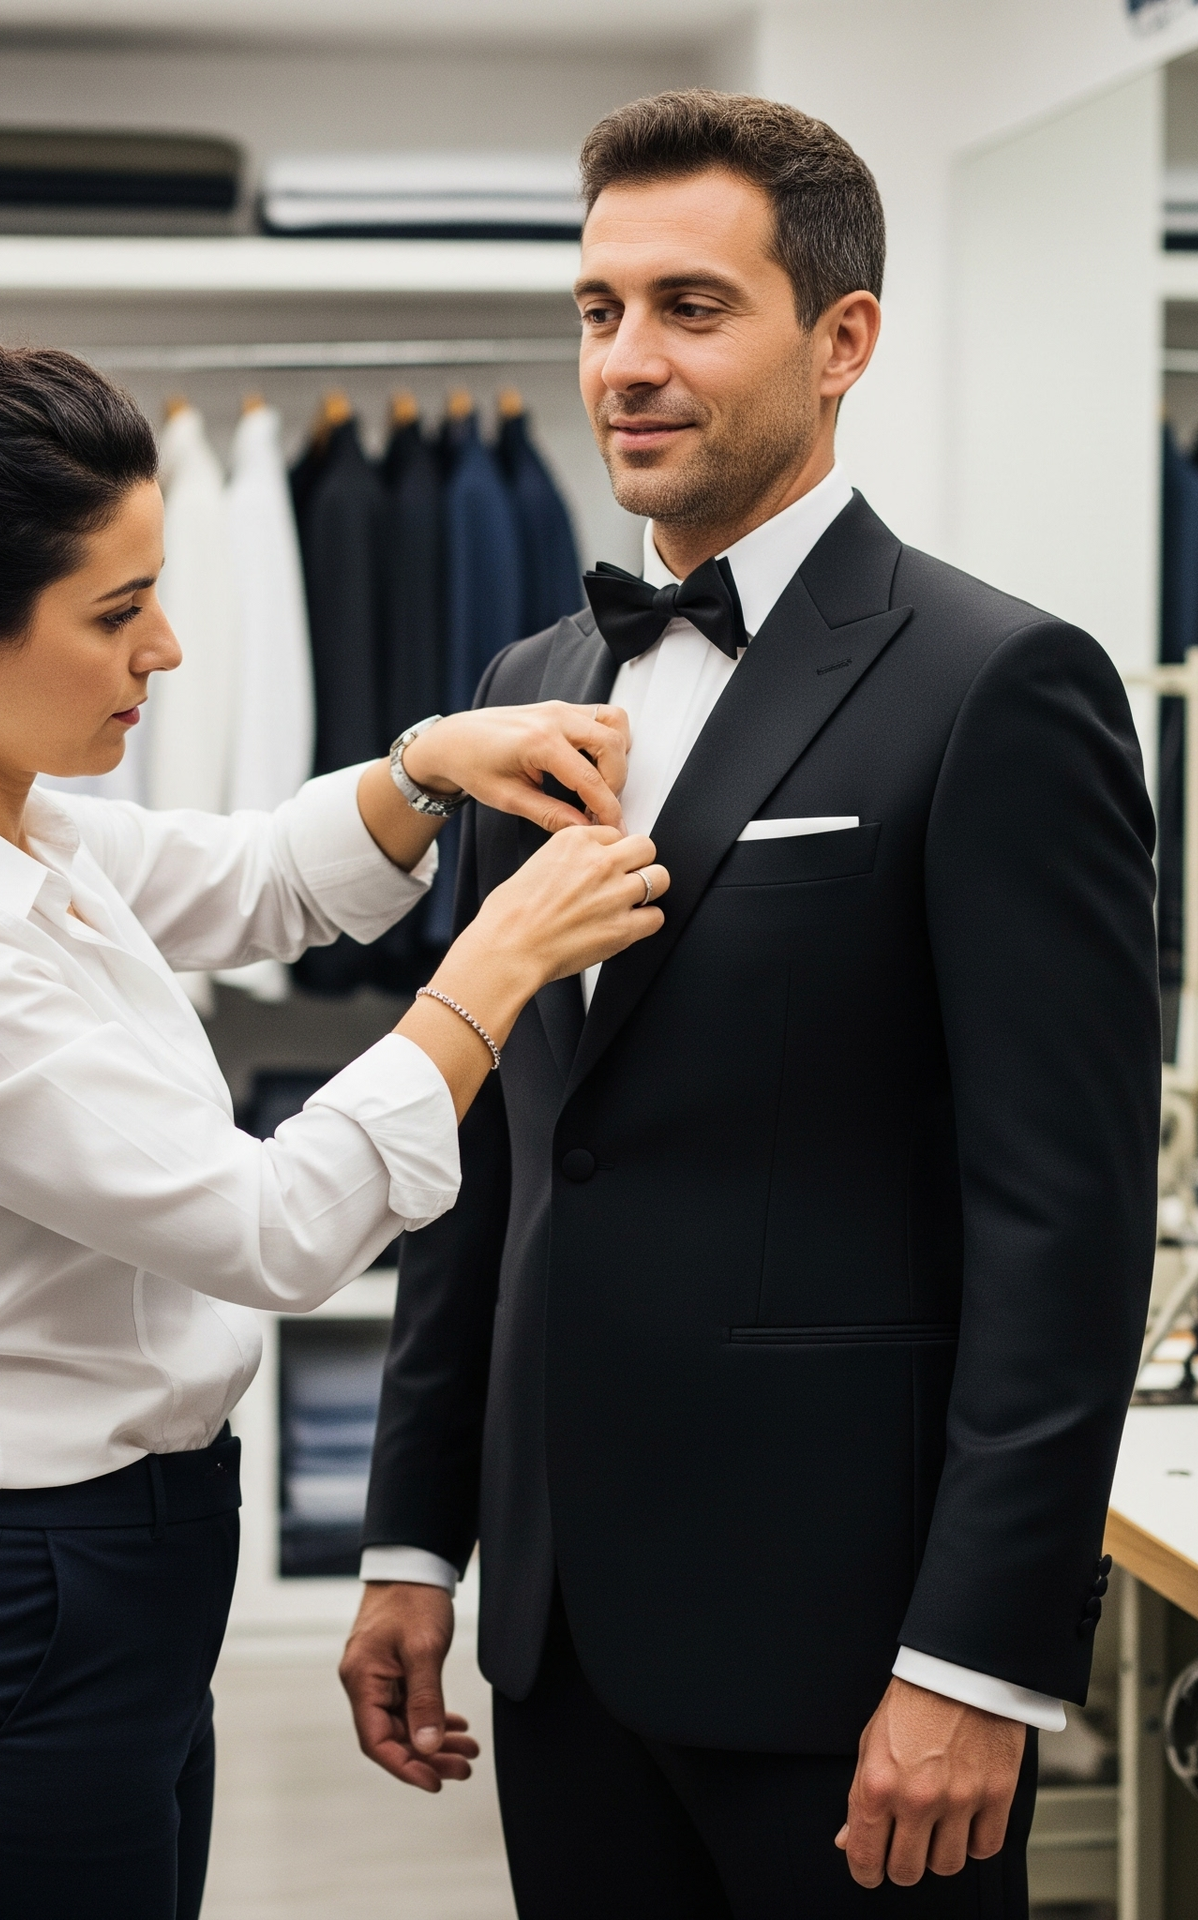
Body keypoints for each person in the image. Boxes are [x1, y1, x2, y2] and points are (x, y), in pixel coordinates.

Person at [342, 88, 1160, 1917]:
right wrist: (414, 1535)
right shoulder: (527, 684)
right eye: (596, 310)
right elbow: (484, 1140)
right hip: (557, 1636)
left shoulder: (998, 683)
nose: (624, 361)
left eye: (689, 310)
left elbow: (1064, 1224)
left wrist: (975, 1662)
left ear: (841, 338)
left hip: (853, 1655)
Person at [0, 320, 667, 1920]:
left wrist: (426, 766)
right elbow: (268, 1229)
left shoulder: (6, 826)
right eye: (118, 614)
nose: (165, 649)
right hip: (6, 1609)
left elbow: (248, 876)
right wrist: (491, 969)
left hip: (119, 1579)